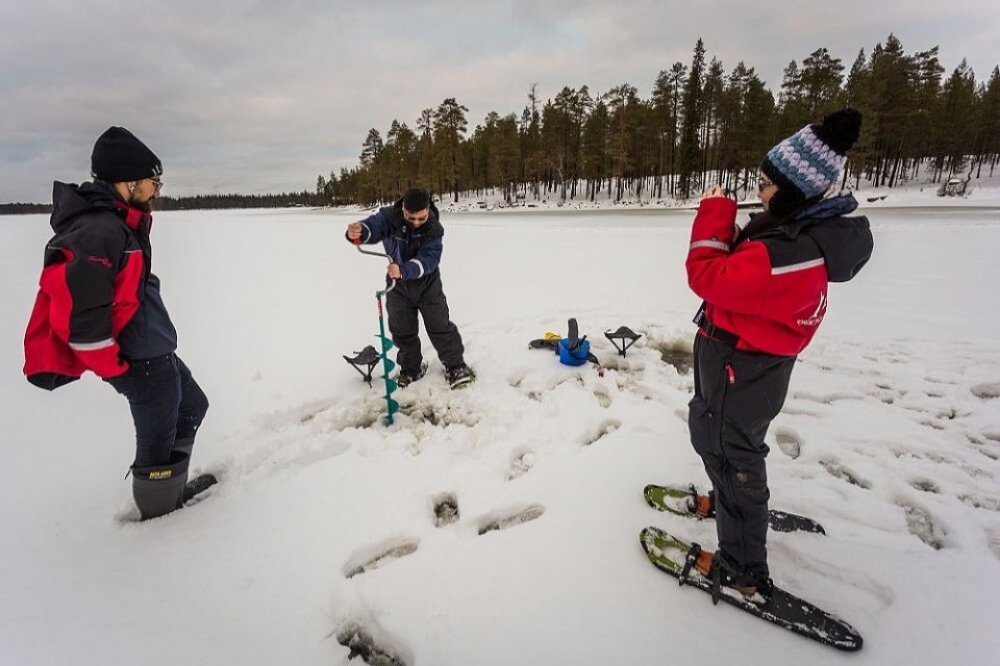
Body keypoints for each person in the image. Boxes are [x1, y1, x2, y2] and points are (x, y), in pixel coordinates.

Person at [684, 109, 873, 598]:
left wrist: (714, 214)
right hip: (741, 365)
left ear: (792, 192)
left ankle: (743, 568)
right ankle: (729, 499)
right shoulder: (790, 236)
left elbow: (708, 276)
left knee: (732, 454)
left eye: (766, 183)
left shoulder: (785, 254)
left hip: (739, 369)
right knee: (721, 442)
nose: (759, 190)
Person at [23, 126, 211, 520]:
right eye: (152, 181)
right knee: (157, 444)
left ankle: (169, 491)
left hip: (154, 349)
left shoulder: (122, 222)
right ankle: (161, 516)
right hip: (138, 361)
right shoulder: (99, 230)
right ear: (128, 183)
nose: (157, 189)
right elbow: (81, 320)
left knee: (193, 405)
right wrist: (115, 366)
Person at [346, 188, 474, 389]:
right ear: (403, 209)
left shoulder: (434, 228)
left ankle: (455, 365)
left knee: (439, 326)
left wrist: (404, 270)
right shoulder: (389, 217)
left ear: (427, 211)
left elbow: (429, 260)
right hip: (397, 287)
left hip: (427, 284)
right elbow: (372, 228)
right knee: (402, 330)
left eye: (421, 218)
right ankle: (411, 368)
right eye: (410, 217)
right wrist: (359, 231)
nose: (416, 222)